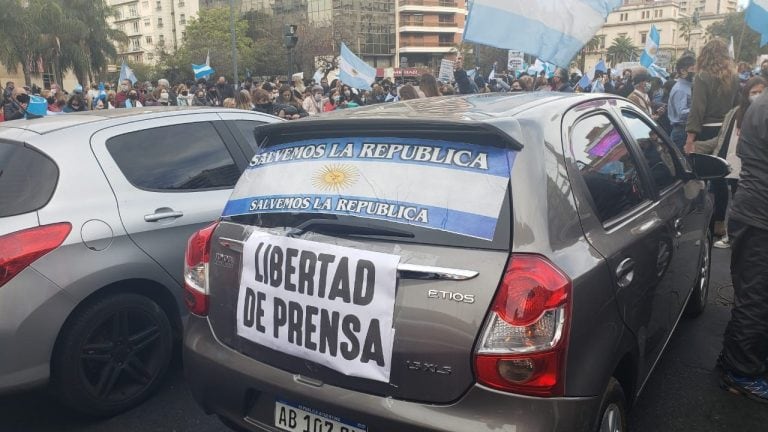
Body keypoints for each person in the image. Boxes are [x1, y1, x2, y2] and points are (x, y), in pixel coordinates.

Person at [716, 88, 768, 404]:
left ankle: (738, 361)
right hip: (760, 217)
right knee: (757, 298)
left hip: (755, 213)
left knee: (755, 295)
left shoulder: (760, 103)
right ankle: (742, 373)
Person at [694, 76, 766, 248]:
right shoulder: (734, 113)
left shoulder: (762, 115)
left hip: (753, 168)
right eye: (753, 92)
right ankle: (731, 235)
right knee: (734, 201)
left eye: (760, 92)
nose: (756, 96)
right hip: (732, 164)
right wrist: (696, 146)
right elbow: (721, 139)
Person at [685, 39, 740, 238]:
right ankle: (719, 223)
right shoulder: (734, 77)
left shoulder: (702, 77)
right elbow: (737, 107)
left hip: (705, 130)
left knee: (701, 177)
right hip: (726, 131)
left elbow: (697, 109)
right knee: (720, 178)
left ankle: (700, 222)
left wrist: (690, 137)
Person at [668, 55, 696, 151]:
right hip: (681, 132)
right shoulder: (680, 89)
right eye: (692, 69)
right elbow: (681, 113)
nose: (695, 72)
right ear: (683, 71)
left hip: (685, 130)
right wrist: (698, 109)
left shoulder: (689, 86)